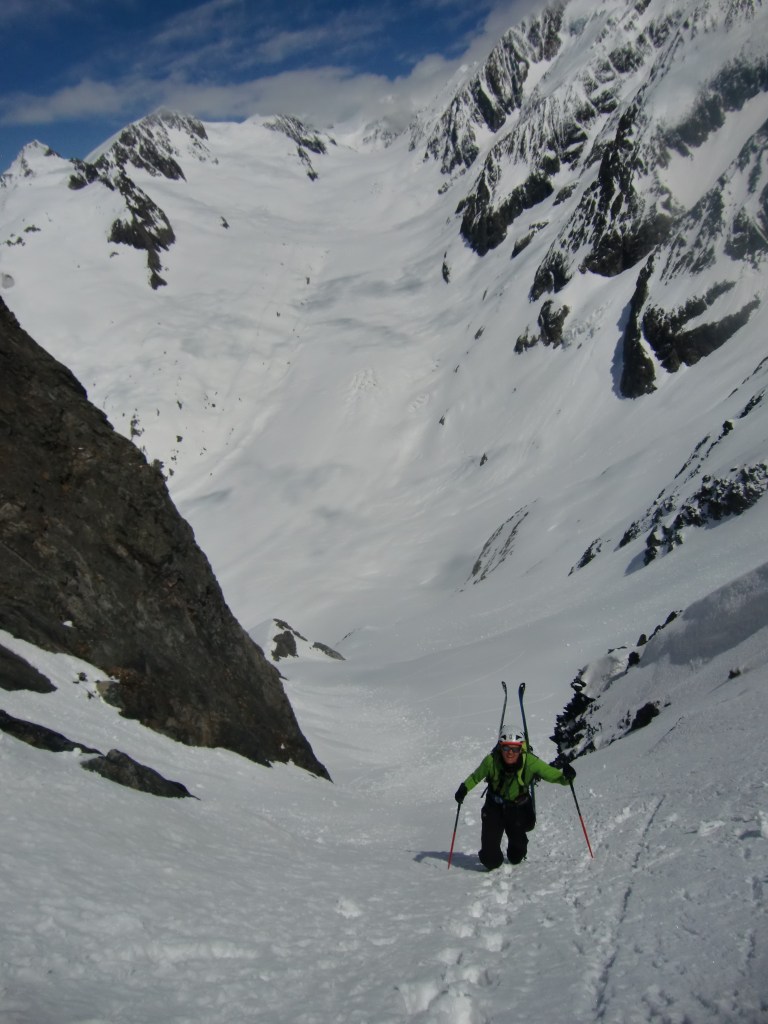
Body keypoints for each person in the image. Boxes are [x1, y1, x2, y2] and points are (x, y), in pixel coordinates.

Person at [454, 732, 575, 870]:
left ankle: (518, 844)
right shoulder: (491, 761)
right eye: (506, 748)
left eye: (515, 749)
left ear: (521, 748)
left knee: (516, 857)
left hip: (518, 808)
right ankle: (494, 852)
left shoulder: (529, 761)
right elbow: (476, 777)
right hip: (494, 807)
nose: (510, 753)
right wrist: (464, 788)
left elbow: (552, 775)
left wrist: (567, 778)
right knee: (490, 861)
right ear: (500, 747)